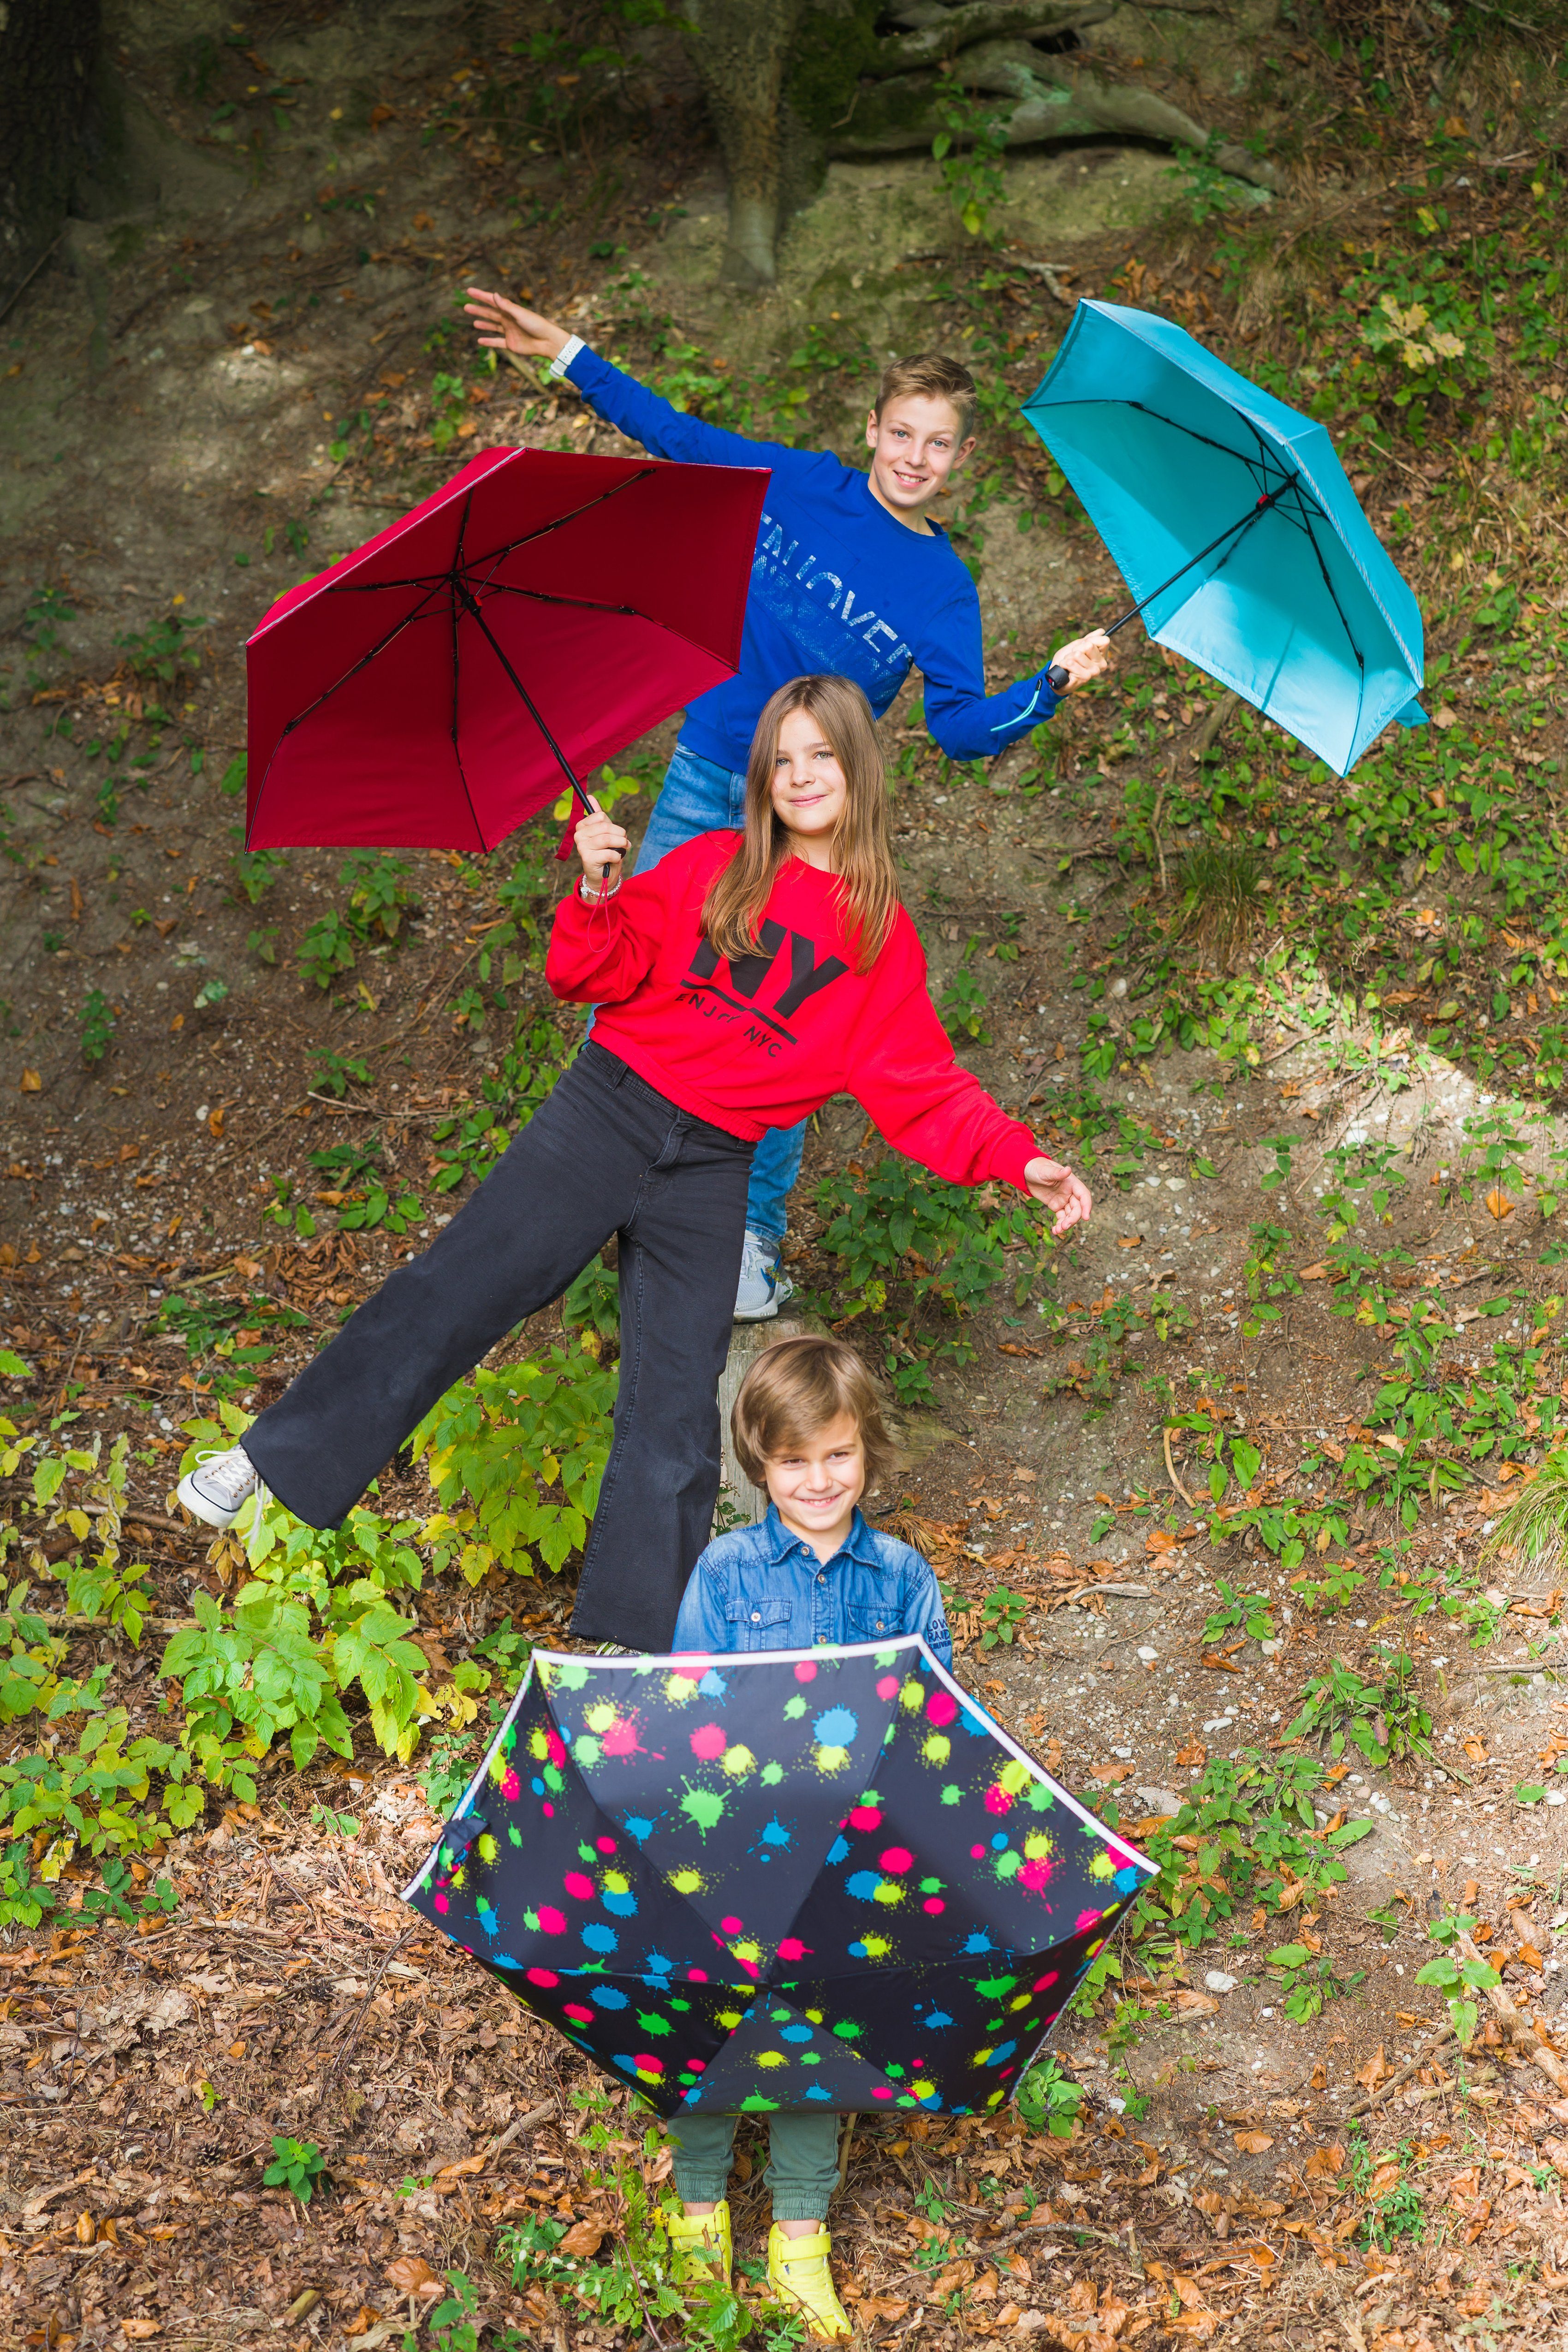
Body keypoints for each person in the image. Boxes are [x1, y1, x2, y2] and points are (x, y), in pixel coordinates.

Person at [178, 674, 1091, 1652]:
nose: (799, 774)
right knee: (454, 1293)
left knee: (674, 1408)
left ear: (857, 771)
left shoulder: (878, 941)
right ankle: (273, 1460)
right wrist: (596, 891)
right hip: (606, 1110)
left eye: (820, 753)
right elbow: (589, 973)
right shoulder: (712, 865)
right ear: (760, 779)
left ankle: (637, 1653)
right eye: (780, 759)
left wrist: (1016, 1158)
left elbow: (924, 1087)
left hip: (712, 1165)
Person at [464, 285, 1111, 1319]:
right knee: (632, 978)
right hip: (710, 776)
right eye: (900, 432)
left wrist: (1051, 686)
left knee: (787, 1026)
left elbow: (956, 731)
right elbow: (673, 436)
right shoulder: (799, 486)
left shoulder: (941, 590)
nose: (914, 457)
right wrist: (568, 356)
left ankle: (747, 1242)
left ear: (959, 461)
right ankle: (589, 1190)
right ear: (870, 430)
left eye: (938, 445)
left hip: (808, 819)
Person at [662, 1331, 947, 2340]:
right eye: (793, 1461)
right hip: (732, 1842)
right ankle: (696, 2218)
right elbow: (683, 1714)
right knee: (711, 2022)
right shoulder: (727, 1573)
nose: (818, 1480)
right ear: (760, 1465)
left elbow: (936, 1723)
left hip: (850, 1856)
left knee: (814, 2032)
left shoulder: (902, 1576)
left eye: (838, 1455)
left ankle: (796, 2240)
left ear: (866, 1449)